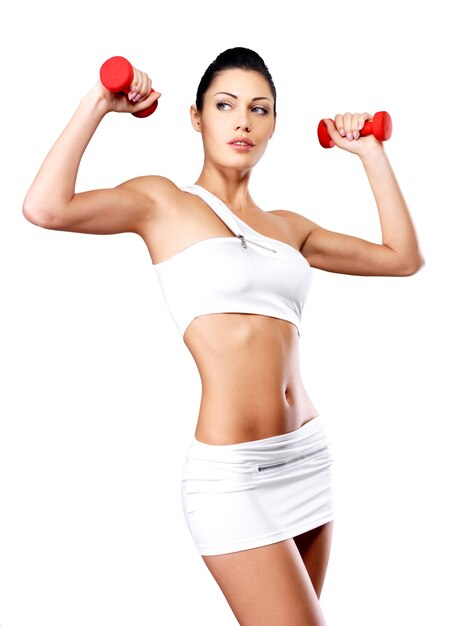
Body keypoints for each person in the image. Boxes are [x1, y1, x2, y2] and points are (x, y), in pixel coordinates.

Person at [23, 46, 424, 625]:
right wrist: (100, 103)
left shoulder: (291, 227)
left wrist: (370, 153)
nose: (242, 121)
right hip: (233, 476)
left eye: (259, 109)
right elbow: (45, 208)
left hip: (306, 457)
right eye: (226, 105)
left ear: (274, 126)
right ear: (197, 117)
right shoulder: (161, 202)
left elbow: (402, 258)